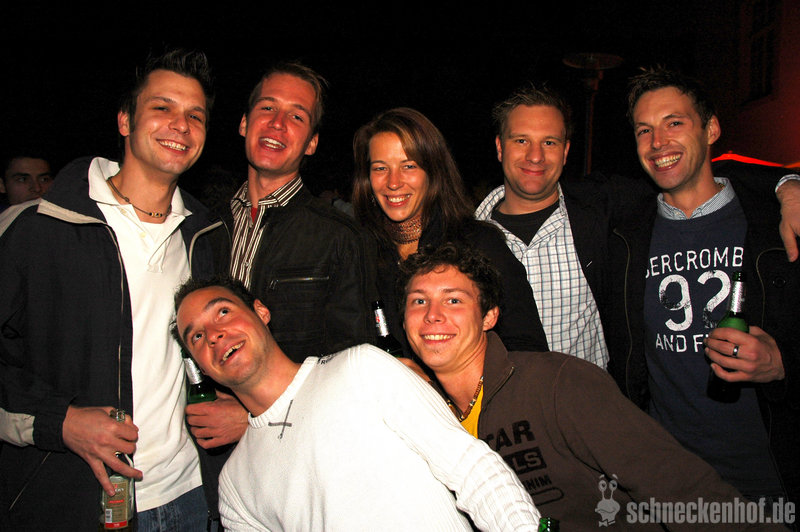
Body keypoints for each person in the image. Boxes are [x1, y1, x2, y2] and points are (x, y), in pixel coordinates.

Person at [398, 242, 786, 530]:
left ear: (489, 316)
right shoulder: (423, 418)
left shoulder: (556, 383)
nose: (433, 315)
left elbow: (680, 487)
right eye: (419, 301)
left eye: (453, 300)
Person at [0, 49, 227, 530]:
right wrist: (59, 421)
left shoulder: (204, 236)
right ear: (125, 120)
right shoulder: (39, 227)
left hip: (192, 496)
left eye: (195, 115)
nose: (180, 125)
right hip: (76, 501)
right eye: (162, 107)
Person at [172, 275, 541, 531]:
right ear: (199, 365)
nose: (214, 334)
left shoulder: (360, 368)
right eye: (197, 337)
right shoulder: (234, 487)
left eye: (223, 312)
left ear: (261, 312)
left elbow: (473, 469)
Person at [604, 66, 800, 508]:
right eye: (644, 130)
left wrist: (782, 365)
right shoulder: (626, 238)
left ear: (711, 129)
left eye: (674, 122)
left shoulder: (774, 228)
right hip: (670, 482)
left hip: (772, 480)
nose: (658, 142)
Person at [189, 61, 377, 451]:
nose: (277, 123)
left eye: (296, 116)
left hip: (297, 451)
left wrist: (254, 413)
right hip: (207, 456)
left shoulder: (340, 237)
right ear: (244, 123)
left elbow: (353, 368)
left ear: (311, 143)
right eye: (268, 108)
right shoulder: (202, 229)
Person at [351, 106, 548, 359]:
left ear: (433, 172)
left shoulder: (478, 244)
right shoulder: (359, 252)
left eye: (408, 166)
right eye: (380, 168)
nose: (393, 182)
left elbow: (529, 348)